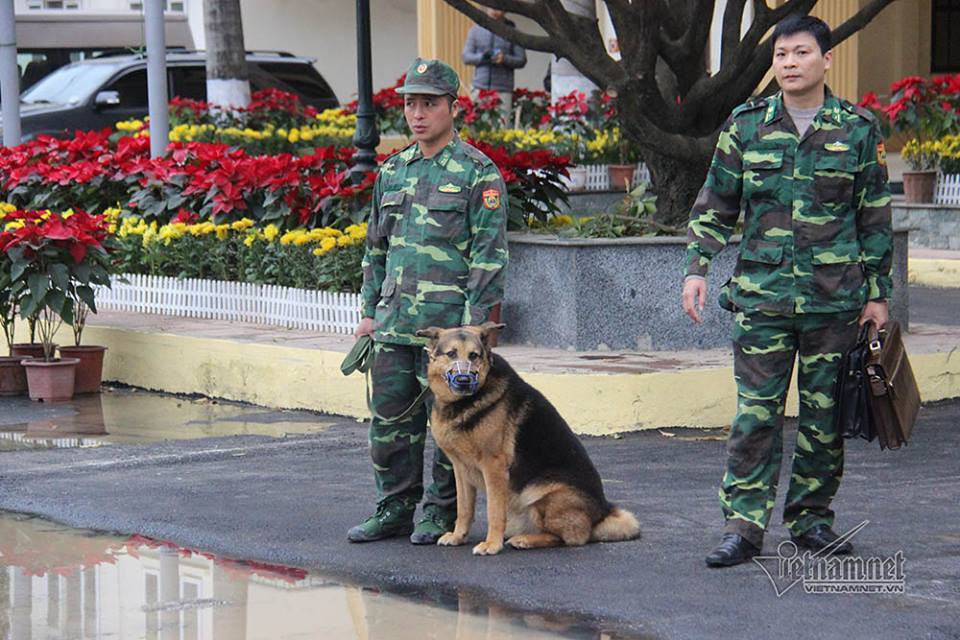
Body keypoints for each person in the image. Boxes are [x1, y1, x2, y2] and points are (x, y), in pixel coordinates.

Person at [681, 16, 892, 568]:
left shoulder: (857, 129)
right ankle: (743, 527)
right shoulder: (747, 125)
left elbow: (873, 216)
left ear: (826, 60)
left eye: (801, 53)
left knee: (824, 421)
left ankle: (812, 520)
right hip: (762, 299)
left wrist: (878, 295)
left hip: (834, 301)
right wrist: (697, 267)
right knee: (756, 417)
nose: (790, 63)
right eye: (781, 54)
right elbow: (716, 203)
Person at [347, 58, 509, 545]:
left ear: (452, 108)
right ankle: (394, 508)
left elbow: (489, 256)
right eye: (411, 104)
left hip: (451, 337)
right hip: (396, 325)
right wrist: (368, 313)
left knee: (452, 426)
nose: (417, 114)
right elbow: (376, 248)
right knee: (390, 425)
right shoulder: (393, 171)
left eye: (429, 104)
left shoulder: (477, 173)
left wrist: (475, 330)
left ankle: (440, 513)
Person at [462, 7, 527, 120]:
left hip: (503, 89)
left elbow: (521, 60)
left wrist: (504, 59)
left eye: (498, 7)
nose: (495, 10)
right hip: (480, 88)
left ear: (505, 9)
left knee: (502, 126)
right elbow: (466, 57)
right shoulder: (476, 30)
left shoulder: (513, 32)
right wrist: (483, 57)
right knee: (478, 126)